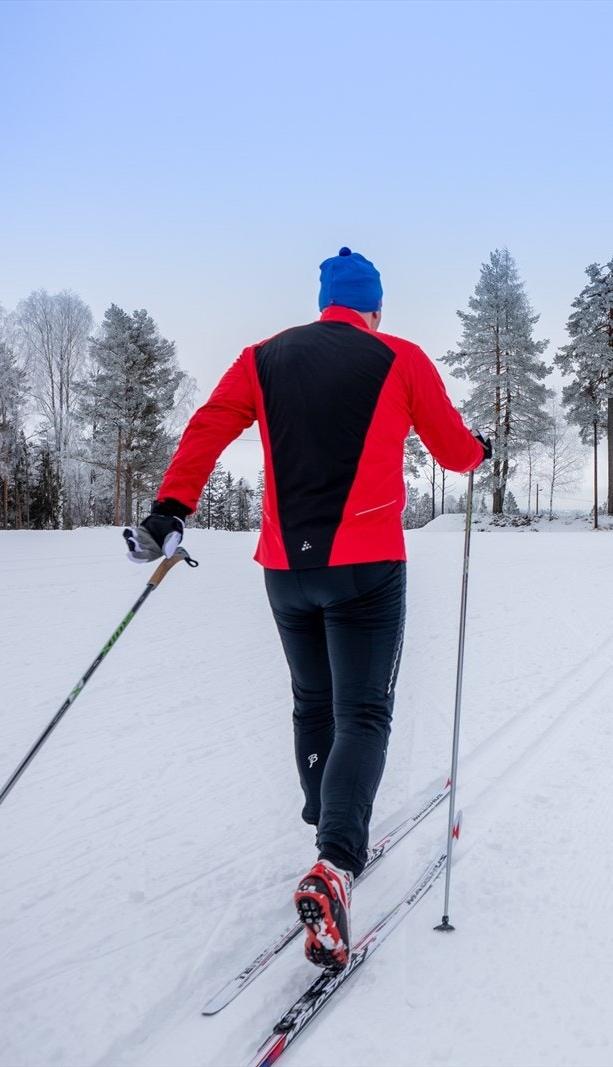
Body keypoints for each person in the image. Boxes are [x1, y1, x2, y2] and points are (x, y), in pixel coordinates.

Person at [122, 247, 489, 969]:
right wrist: (478, 450)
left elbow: (207, 426)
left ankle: (331, 819)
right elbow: (452, 450)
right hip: (368, 569)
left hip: (286, 570)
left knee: (312, 704)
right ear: (373, 307)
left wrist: (170, 508)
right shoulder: (400, 356)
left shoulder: (265, 356)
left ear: (325, 301)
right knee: (365, 713)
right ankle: (334, 862)